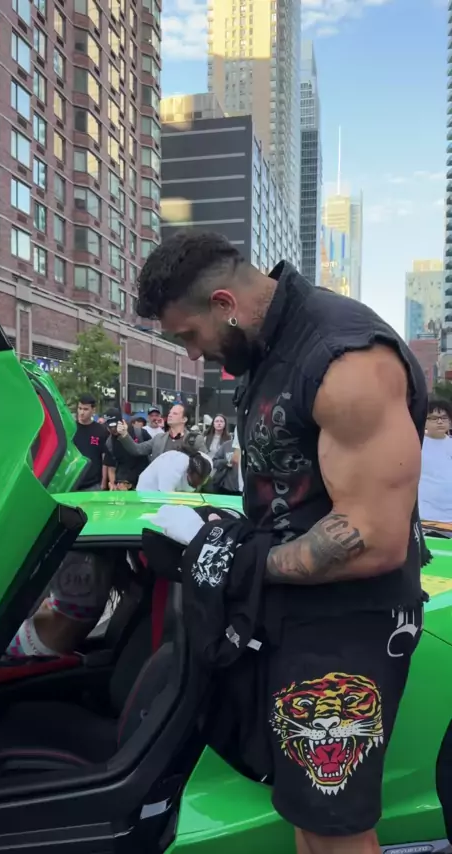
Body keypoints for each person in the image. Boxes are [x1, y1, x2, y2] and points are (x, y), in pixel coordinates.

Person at [136, 230, 428, 854]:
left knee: (335, 830)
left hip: (348, 624)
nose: (193, 354)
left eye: (189, 336)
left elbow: (374, 540)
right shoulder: (271, 350)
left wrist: (245, 563)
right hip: (295, 615)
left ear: (224, 303)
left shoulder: (345, 360)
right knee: (303, 812)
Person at [5, 549, 131, 658]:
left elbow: (25, 609)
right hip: (55, 642)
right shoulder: (108, 553)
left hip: (34, 640)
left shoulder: (64, 551)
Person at [116, 401, 207, 461]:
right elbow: (137, 450)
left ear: (184, 419)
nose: (170, 415)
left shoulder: (195, 439)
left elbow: (206, 464)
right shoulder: (159, 438)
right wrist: (124, 434)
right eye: (170, 413)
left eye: (175, 413)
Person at [418, 396, 452, 523]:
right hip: (427, 515)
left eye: (444, 418)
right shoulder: (416, 444)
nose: (440, 422)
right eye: (434, 418)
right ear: (424, 421)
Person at [103, 408, 149, 491]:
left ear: (121, 422)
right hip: (122, 485)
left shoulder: (140, 433)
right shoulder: (109, 443)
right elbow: (111, 466)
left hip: (143, 482)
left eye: (115, 426)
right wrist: (113, 484)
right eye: (110, 427)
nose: (113, 430)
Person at [137, 444, 212, 493]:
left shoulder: (207, 465)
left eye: (198, 484)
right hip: (149, 490)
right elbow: (166, 497)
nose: (196, 486)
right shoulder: (173, 467)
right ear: (188, 471)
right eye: (192, 483)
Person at [73, 393, 108, 491]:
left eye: (85, 409)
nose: (81, 412)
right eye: (80, 408)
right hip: (72, 481)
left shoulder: (101, 431)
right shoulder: (71, 428)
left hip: (93, 484)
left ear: (93, 410)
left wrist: (103, 482)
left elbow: (105, 458)